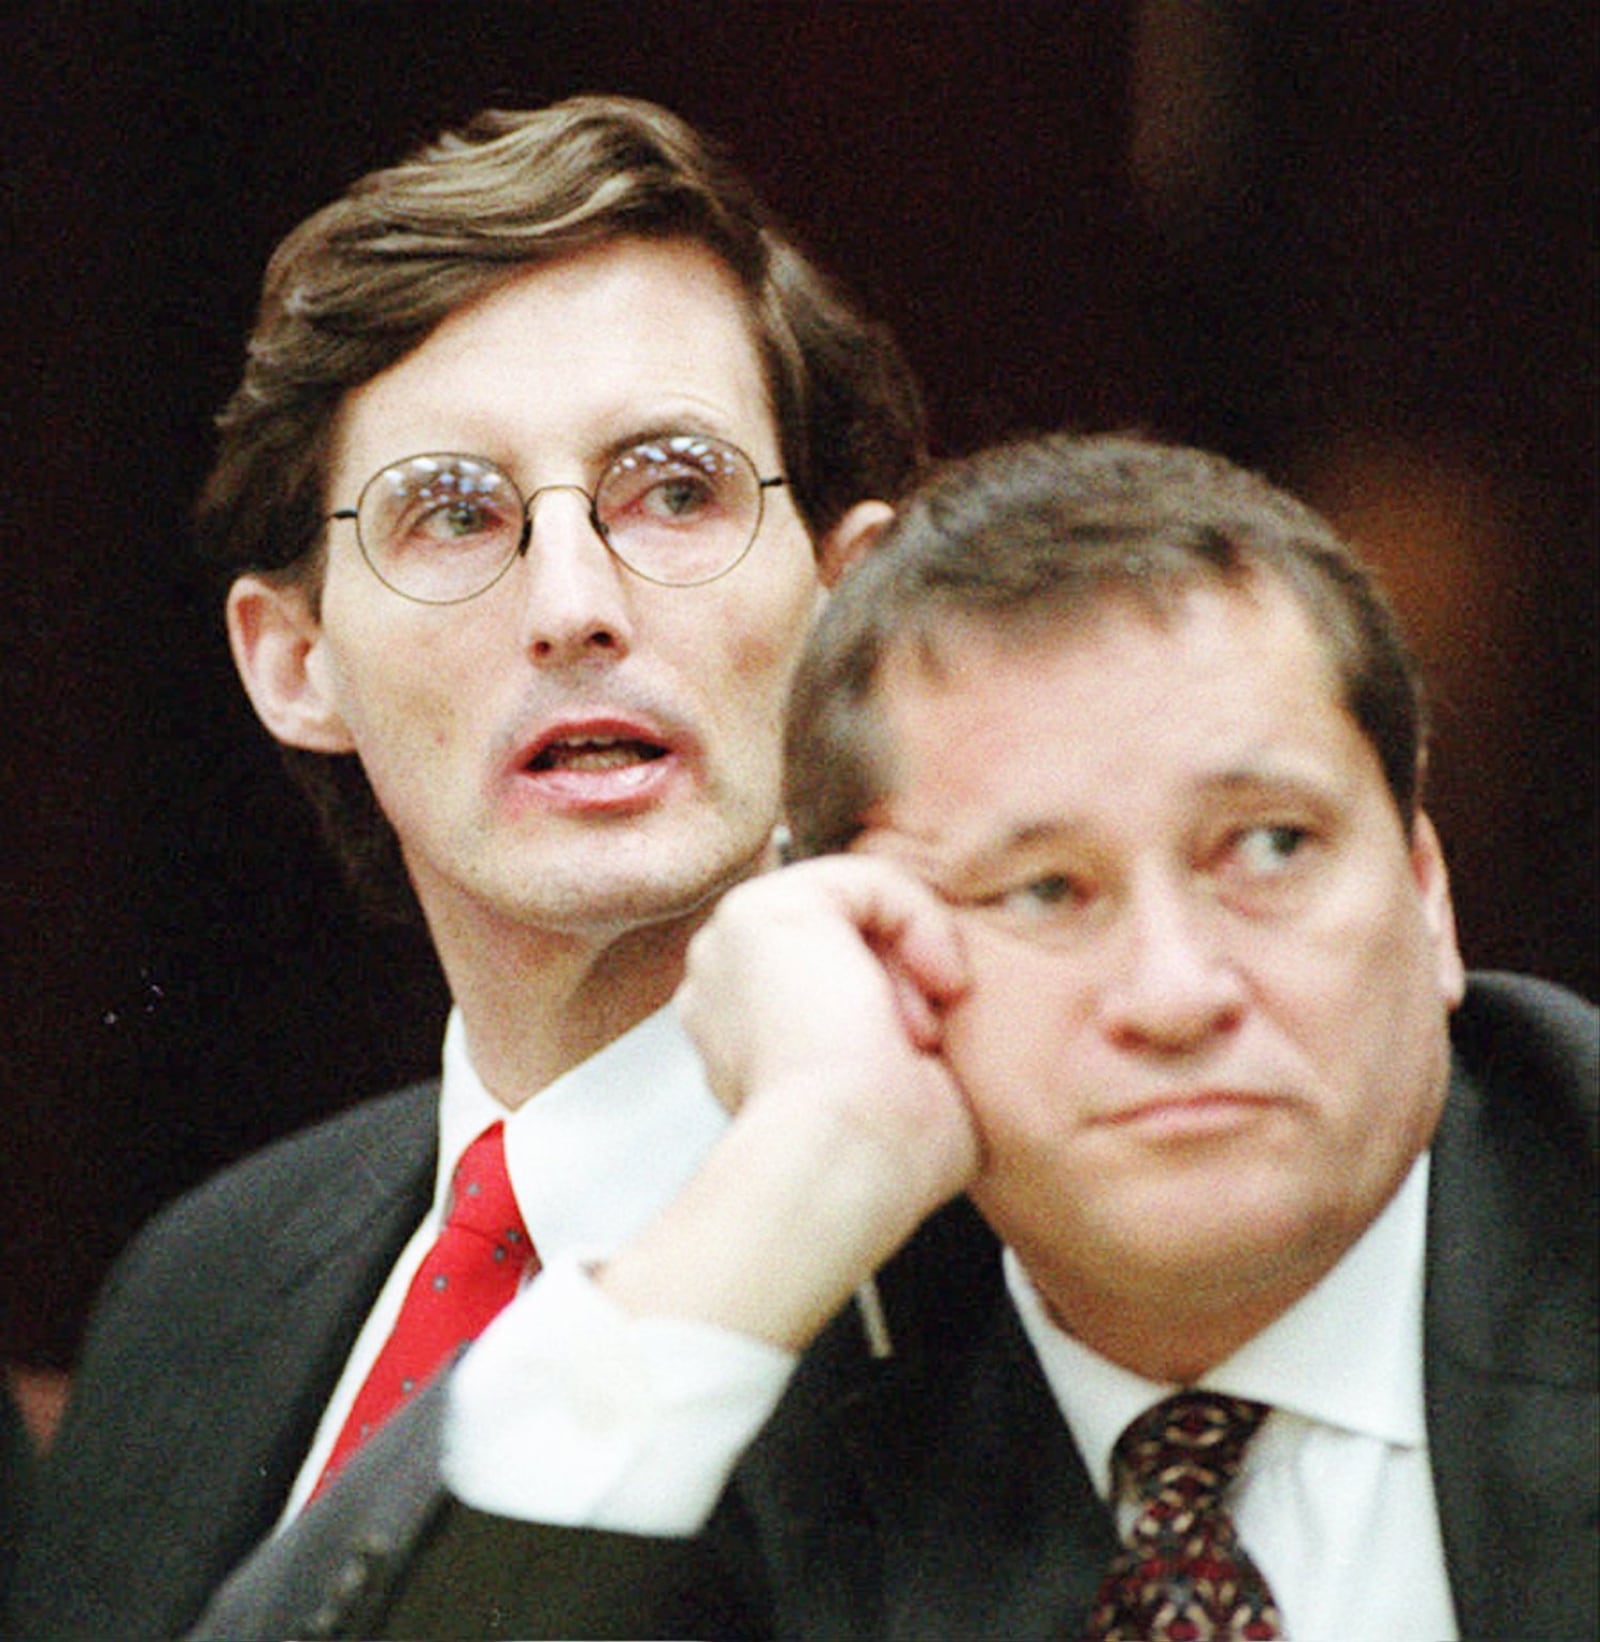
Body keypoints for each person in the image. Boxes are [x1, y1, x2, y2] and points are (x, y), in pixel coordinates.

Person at [202, 432, 1595, 1639]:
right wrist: (804, 1159)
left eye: (1272, 847)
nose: (1177, 990)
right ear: (861, 940)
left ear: (1427, 891)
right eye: (1045, 888)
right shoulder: (770, 1349)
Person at [2, 94, 924, 1641]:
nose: (574, 602)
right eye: (451, 513)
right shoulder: (199, 1291)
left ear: (849, 602)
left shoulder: (1031, 1253)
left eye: (676, 487)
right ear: (294, 662)